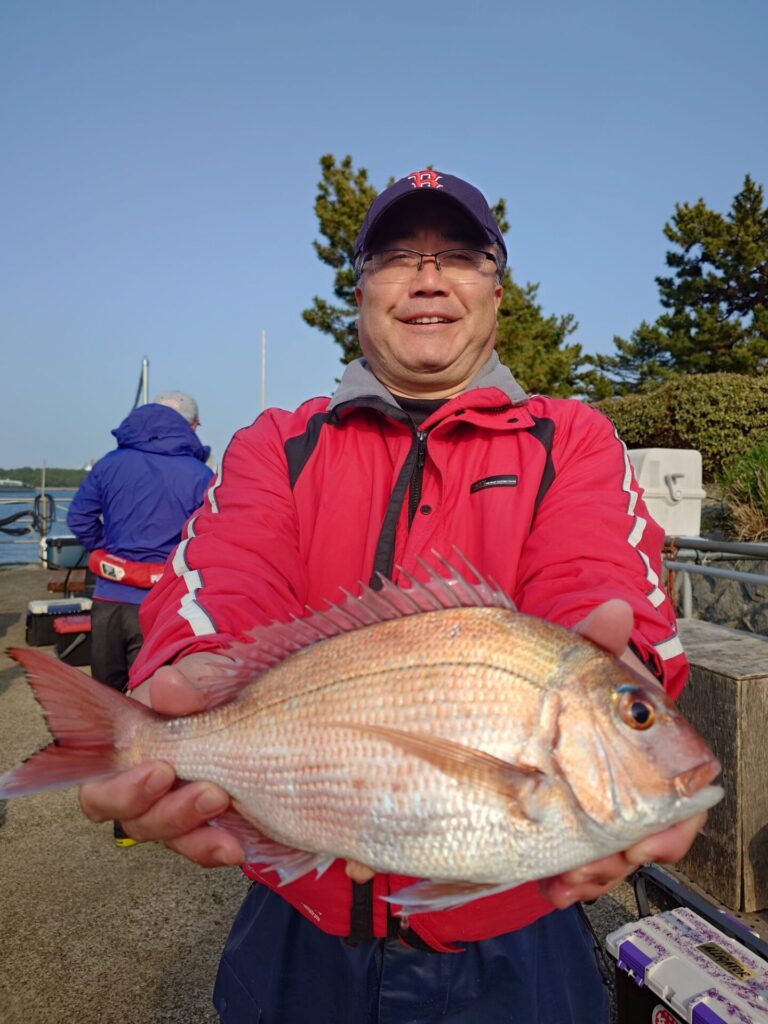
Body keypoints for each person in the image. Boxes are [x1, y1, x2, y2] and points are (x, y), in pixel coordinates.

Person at [78, 171, 705, 1023]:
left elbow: (596, 571)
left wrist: (624, 674)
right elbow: (225, 576)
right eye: (400, 256)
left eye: (460, 256)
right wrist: (188, 678)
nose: (429, 279)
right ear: (362, 289)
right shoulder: (277, 445)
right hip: (301, 920)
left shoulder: (573, 438)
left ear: (496, 288)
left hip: (520, 921)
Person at [67, 390, 213, 692]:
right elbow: (209, 535)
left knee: (105, 697)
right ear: (191, 425)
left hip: (109, 600)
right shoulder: (199, 474)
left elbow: (79, 518)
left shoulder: (109, 464)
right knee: (151, 697)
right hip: (165, 604)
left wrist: (106, 550)